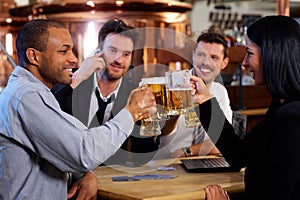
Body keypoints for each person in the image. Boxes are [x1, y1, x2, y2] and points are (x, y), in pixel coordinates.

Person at [0, 19, 155, 199]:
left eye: (71, 50)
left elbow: (67, 147)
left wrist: (85, 174)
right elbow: (84, 152)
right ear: (34, 56)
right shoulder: (27, 96)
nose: (74, 59)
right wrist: (132, 112)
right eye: (63, 51)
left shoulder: (33, 92)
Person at [193, 15, 300, 199]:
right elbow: (239, 154)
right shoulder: (280, 106)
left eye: (249, 53)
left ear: (272, 54)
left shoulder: (293, 118)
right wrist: (205, 100)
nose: (243, 63)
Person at [52, 18, 159, 166]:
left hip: (111, 180)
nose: (118, 60)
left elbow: (141, 157)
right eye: (112, 50)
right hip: (68, 175)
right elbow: (46, 114)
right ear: (99, 50)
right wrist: (78, 78)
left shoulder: (132, 93)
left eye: (126, 54)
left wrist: (155, 124)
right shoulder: (71, 80)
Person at [156, 30, 233, 159]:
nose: (205, 62)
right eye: (201, 55)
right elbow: (157, 136)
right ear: (193, 56)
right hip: (166, 163)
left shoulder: (220, 92)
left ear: (224, 63)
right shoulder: (171, 84)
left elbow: (224, 141)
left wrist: (187, 151)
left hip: (200, 162)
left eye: (213, 57)